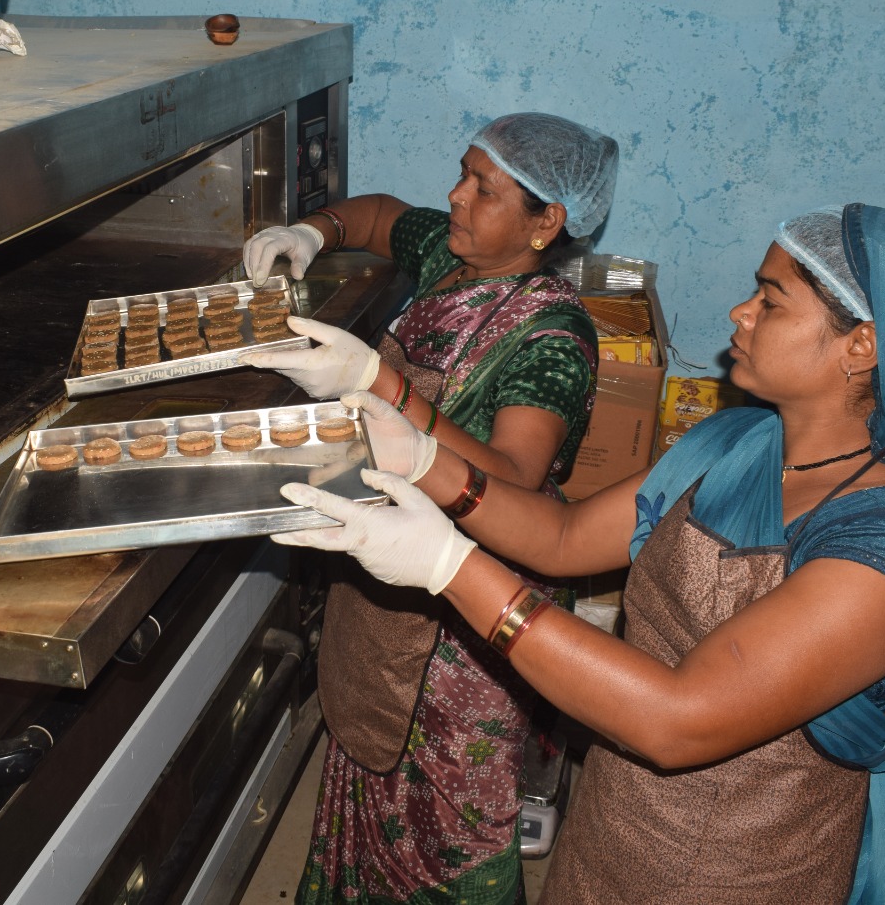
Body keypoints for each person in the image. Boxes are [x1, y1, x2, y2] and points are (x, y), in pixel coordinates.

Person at [274, 203, 885, 904]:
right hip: (618, 815)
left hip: (743, 866)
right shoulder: (737, 445)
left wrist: (451, 569)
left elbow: (677, 719)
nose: (739, 314)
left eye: (772, 300)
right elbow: (562, 540)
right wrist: (423, 455)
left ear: (862, 346)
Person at [240, 113, 618, 904]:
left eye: (484, 188)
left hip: (469, 619)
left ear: (547, 222)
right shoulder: (450, 261)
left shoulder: (551, 336)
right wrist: (310, 231)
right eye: (463, 172)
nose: (455, 195)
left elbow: (515, 475)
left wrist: (384, 386)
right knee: (367, 792)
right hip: (390, 583)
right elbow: (378, 214)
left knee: (447, 833)